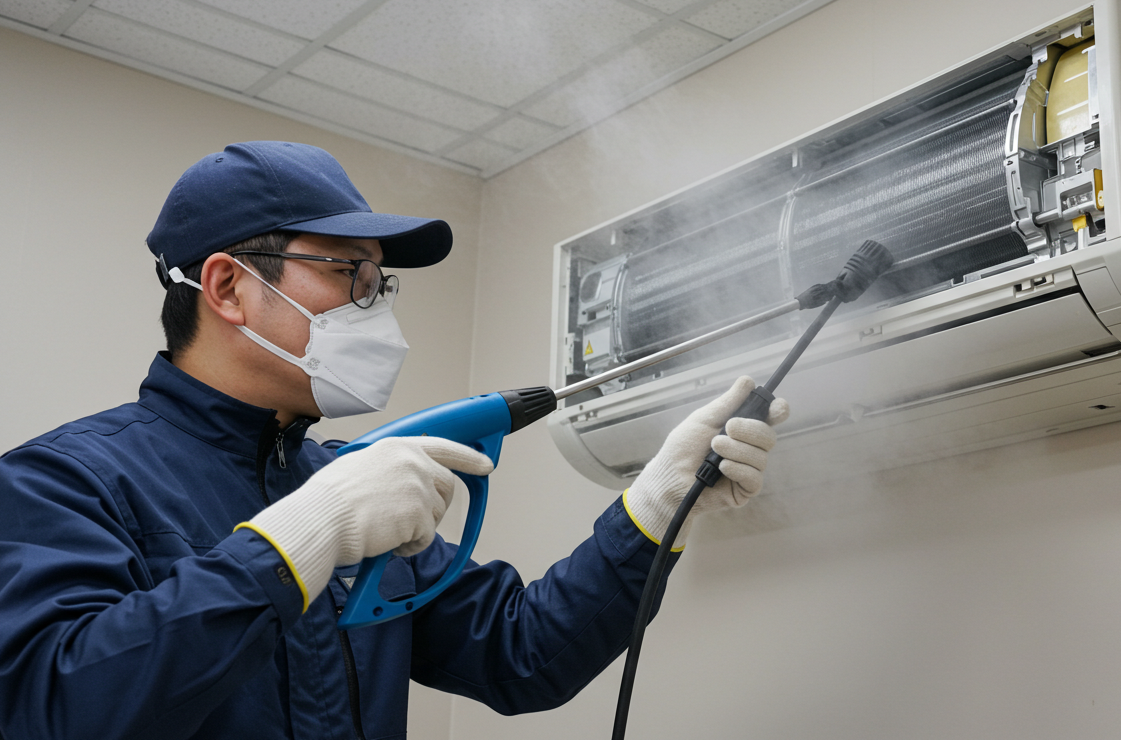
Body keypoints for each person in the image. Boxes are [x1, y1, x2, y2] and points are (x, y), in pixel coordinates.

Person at [0, 141, 788, 739]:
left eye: (380, 282)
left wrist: (656, 506)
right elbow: (52, 704)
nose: (375, 307)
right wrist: (297, 543)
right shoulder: (63, 482)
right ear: (229, 287)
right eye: (351, 273)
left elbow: (521, 654)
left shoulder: (345, 483)